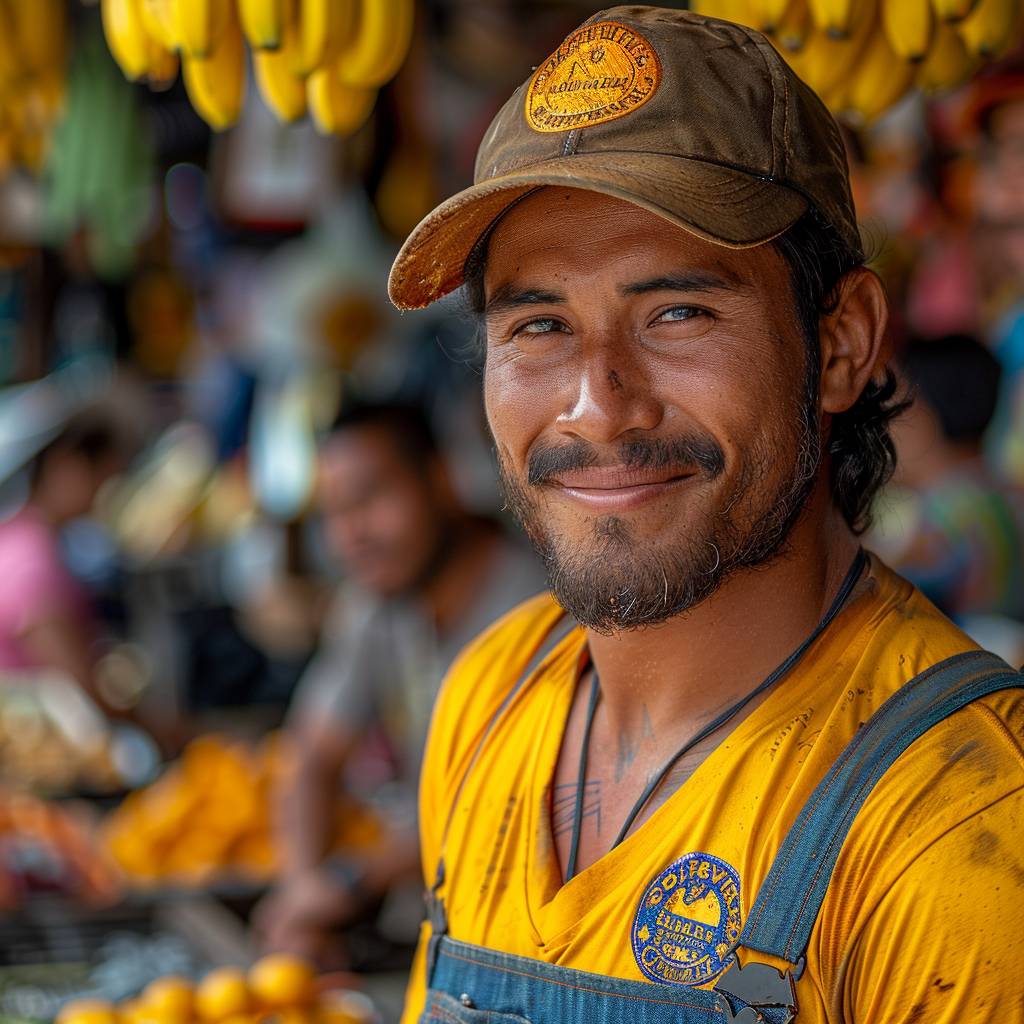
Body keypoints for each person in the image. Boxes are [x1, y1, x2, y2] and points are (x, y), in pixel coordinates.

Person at [384, 8, 1024, 1024]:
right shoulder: (490, 698)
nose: (598, 404)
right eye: (539, 325)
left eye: (676, 312)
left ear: (844, 340)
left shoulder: (957, 834)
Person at [256, 401, 544, 966]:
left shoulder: (533, 613)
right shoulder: (375, 604)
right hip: (426, 922)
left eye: (371, 498)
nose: (351, 534)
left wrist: (344, 884)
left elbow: (492, 805)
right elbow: (312, 758)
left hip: (520, 938)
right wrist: (302, 890)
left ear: (440, 480)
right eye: (333, 513)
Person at [873, 334, 1024, 627]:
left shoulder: (943, 522)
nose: (879, 426)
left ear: (921, 415)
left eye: (888, 406)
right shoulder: (999, 494)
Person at [0, 408, 127, 706]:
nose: (104, 491)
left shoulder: (19, 538)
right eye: (103, 476)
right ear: (67, 465)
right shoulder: (31, 557)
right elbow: (74, 685)